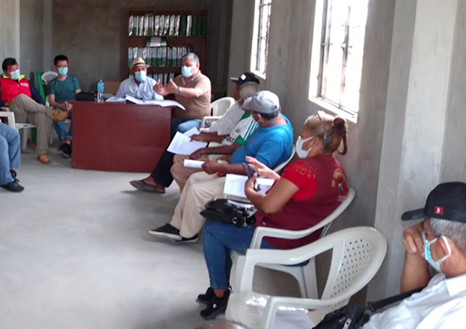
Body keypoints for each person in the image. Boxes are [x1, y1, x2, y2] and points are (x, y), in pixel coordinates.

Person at [198, 111, 350, 320]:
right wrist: (274, 177)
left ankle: (219, 294)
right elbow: (304, 193)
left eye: (302, 136)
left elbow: (268, 206)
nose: (299, 140)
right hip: (306, 238)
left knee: (213, 229)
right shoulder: (334, 168)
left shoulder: (303, 168)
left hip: (281, 240)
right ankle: (219, 285)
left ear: (313, 141)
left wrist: (250, 190)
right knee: (222, 222)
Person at [148, 91, 293, 244]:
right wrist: (227, 160)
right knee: (193, 179)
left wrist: (219, 167)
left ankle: (187, 233)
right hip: (232, 167)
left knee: (198, 190)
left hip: (247, 181)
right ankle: (176, 225)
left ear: (258, 116)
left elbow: (254, 169)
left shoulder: (276, 138)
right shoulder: (275, 120)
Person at [362, 181, 466, 328]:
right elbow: (410, 299)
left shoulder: (456, 316)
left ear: (445, 248)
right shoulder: (447, 278)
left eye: (426, 234)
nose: (422, 237)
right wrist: (414, 253)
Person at [131, 81, 260, 194]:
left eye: (237, 89)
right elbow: (229, 134)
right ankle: (161, 182)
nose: (234, 90)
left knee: (181, 130)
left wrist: (206, 140)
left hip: (202, 126)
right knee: (177, 138)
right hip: (210, 132)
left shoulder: (202, 81)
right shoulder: (238, 107)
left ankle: (159, 180)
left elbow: (231, 142)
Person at [168, 82, 261, 190]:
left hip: (222, 156)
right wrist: (207, 137)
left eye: (241, 99)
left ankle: (191, 192)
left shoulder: (252, 120)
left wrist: (204, 150)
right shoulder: (243, 113)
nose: (239, 101)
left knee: (178, 170)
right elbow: (231, 136)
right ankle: (185, 193)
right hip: (218, 148)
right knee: (178, 157)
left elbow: (234, 147)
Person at [0, 57, 68, 164]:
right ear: (5, 72)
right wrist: (5, 103)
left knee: (42, 116)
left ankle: (42, 152)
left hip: (30, 113)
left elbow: (38, 98)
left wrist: (38, 107)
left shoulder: (25, 81)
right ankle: (51, 112)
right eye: (12, 70)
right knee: (21, 97)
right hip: (14, 114)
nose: (15, 72)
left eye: (16, 69)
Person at [153, 53, 211, 134]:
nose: (184, 68)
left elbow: (196, 92)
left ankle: (176, 147)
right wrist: (158, 90)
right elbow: (166, 90)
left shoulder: (203, 80)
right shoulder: (178, 80)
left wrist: (177, 90)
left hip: (199, 120)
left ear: (197, 66)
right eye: (182, 65)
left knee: (182, 128)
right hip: (181, 118)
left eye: (188, 65)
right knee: (164, 125)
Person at [200, 71, 261, 136]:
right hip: (209, 131)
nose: (234, 90)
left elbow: (230, 136)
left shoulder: (247, 115)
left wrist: (206, 136)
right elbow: (222, 122)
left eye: (238, 88)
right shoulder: (236, 105)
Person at [47, 55, 80, 158]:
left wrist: (72, 105)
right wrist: (60, 105)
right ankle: (64, 140)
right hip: (60, 107)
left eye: (65, 66)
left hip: (73, 106)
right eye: (60, 66)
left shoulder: (73, 80)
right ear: (55, 68)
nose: (63, 68)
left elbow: (79, 96)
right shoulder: (53, 83)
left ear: (68, 65)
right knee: (55, 114)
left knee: (79, 115)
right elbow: (51, 101)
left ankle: (67, 141)